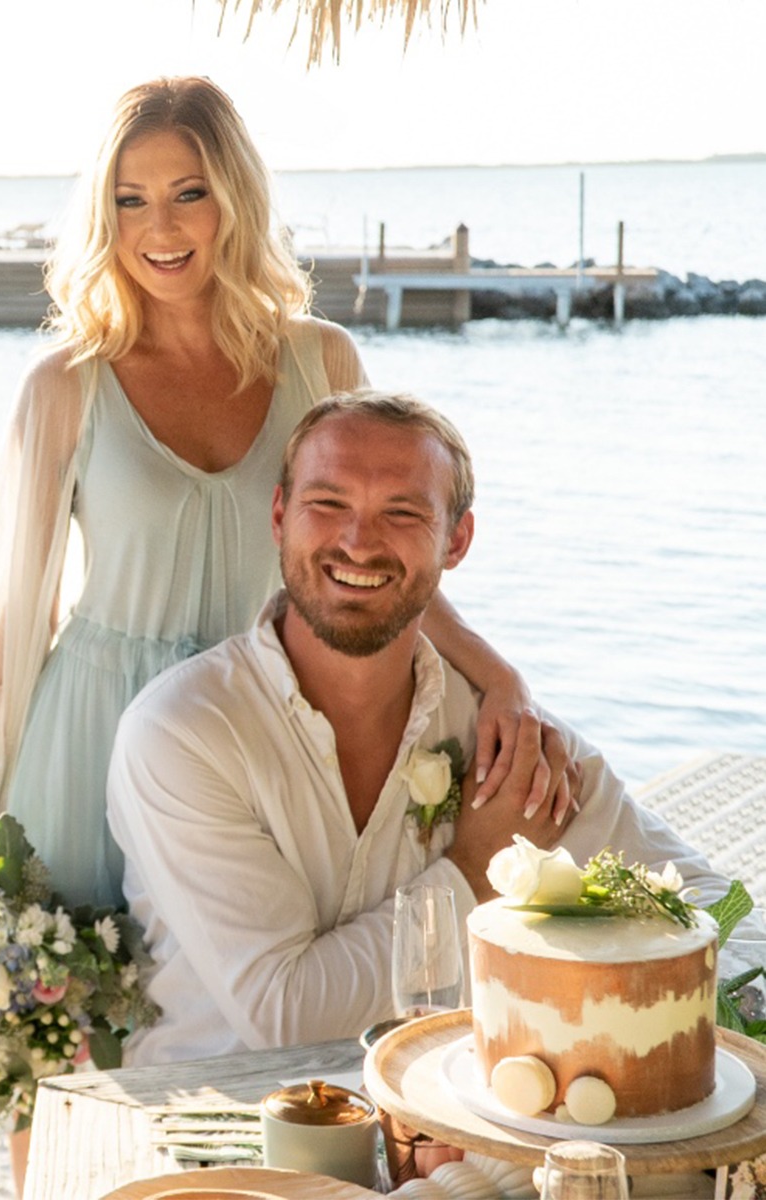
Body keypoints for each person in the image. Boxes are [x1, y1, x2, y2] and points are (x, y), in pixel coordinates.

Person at [0, 77, 553, 910]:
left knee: (252, 999)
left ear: (236, 199)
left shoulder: (320, 364)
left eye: (190, 193)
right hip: (91, 731)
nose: (161, 228)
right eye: (131, 200)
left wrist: (499, 676)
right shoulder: (63, 386)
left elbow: (370, 569)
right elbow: (16, 606)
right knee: (88, 1007)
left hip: (263, 726)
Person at [107, 389, 731, 1067]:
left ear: (456, 540)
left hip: (452, 1118)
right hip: (218, 1125)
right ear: (280, 516)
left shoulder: (500, 734)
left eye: (402, 513)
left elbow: (710, 911)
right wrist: (475, 867)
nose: (357, 541)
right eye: (328, 504)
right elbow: (289, 1017)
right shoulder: (183, 734)